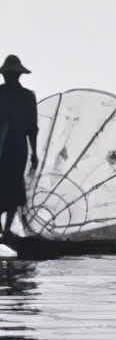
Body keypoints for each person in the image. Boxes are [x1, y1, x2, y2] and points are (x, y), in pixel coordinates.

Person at [0, 55, 38, 242]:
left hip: (12, 146)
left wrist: (35, 153)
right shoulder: (27, 96)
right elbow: (33, 128)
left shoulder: (26, 96)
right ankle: (4, 230)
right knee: (11, 185)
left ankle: (5, 230)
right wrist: (34, 152)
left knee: (12, 185)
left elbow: (32, 127)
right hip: (13, 146)